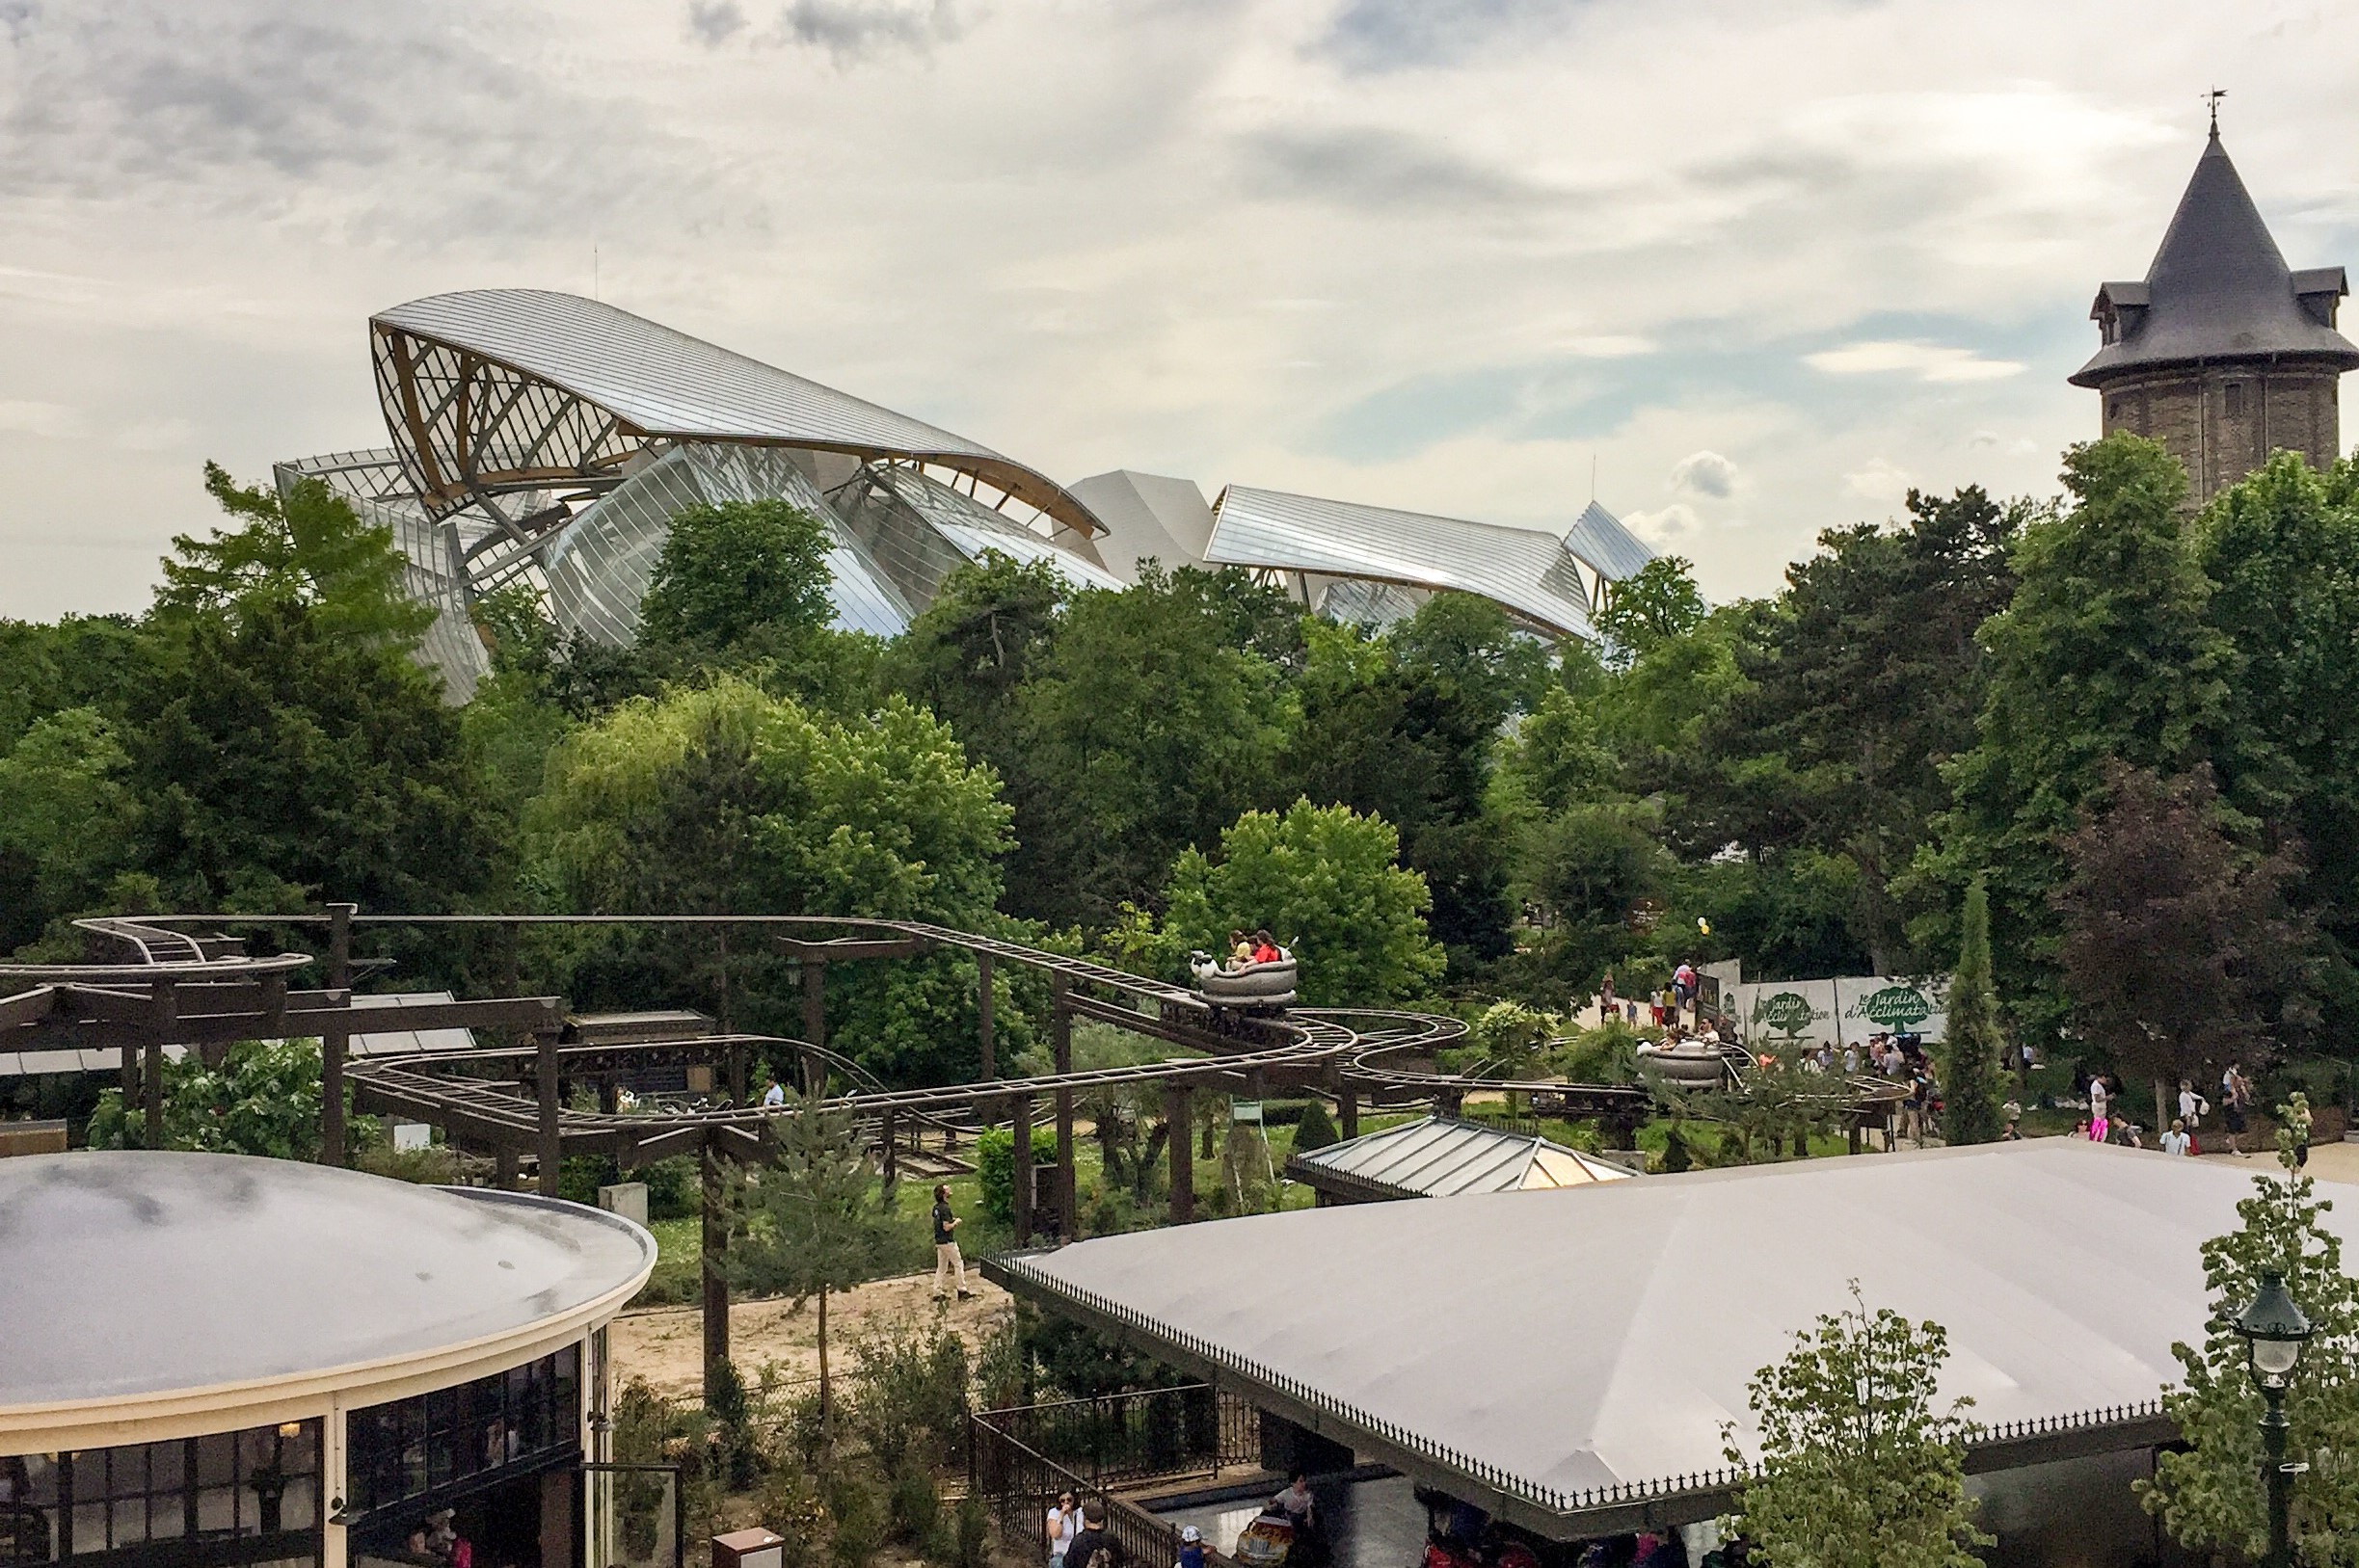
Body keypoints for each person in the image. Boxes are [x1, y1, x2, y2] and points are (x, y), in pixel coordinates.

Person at [931, 1184, 972, 1301]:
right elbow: (946, 1227)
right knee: (958, 1263)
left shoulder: (936, 1208)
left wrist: (951, 1220)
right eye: (947, 1189)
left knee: (942, 1267)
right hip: (947, 1241)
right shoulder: (945, 1208)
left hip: (939, 1240)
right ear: (944, 1193)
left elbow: (940, 1222)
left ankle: (937, 1291)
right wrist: (956, 1222)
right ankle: (962, 1290)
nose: (950, 1189)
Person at [1063, 1502, 1111, 1568]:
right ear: (1102, 1519)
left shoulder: (1079, 1541)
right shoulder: (1112, 1538)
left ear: (1085, 1518)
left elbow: (1069, 1564)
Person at [2223, 1064, 2254, 1157]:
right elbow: (2224, 1102)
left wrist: (2245, 1091)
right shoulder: (2228, 1090)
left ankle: (2231, 1141)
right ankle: (2234, 1149)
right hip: (2231, 1111)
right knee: (2232, 1130)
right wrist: (2232, 1099)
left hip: (2239, 1111)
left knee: (2240, 1130)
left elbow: (2247, 1098)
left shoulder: (2240, 1089)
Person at [1047, 1492, 1078, 1568]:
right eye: (1063, 1501)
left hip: (1077, 1553)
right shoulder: (1054, 1512)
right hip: (1061, 1554)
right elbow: (1055, 1535)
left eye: (1069, 1500)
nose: (1066, 1503)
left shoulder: (1080, 1512)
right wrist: (1061, 1516)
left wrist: (1070, 1515)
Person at [2178, 1078, 2208, 1154]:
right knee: (2186, 1132)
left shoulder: (2189, 1094)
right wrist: (2187, 1116)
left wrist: (2201, 1098)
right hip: (2186, 1115)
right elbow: (2184, 1106)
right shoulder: (2183, 1095)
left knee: (2190, 1132)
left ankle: (2190, 1148)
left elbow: (2194, 1096)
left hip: (2190, 1114)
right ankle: (2186, 1149)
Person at [2088, 1074, 2110, 1142]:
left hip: (2101, 1107)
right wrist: (2107, 1098)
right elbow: (2097, 1099)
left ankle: (2099, 1138)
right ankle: (2096, 1138)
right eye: (2104, 1079)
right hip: (2099, 1107)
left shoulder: (2099, 1086)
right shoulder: (2096, 1086)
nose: (2105, 1081)